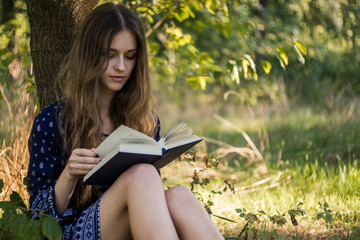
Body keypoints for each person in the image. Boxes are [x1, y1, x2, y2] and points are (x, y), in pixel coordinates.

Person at [27, 3, 224, 240]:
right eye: (110, 55)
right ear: (89, 54)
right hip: (71, 232)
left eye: (129, 57)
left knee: (179, 195)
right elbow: (39, 218)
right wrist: (69, 174)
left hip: (129, 227)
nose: (121, 66)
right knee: (142, 175)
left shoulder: (144, 121)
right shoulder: (51, 121)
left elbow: (149, 202)